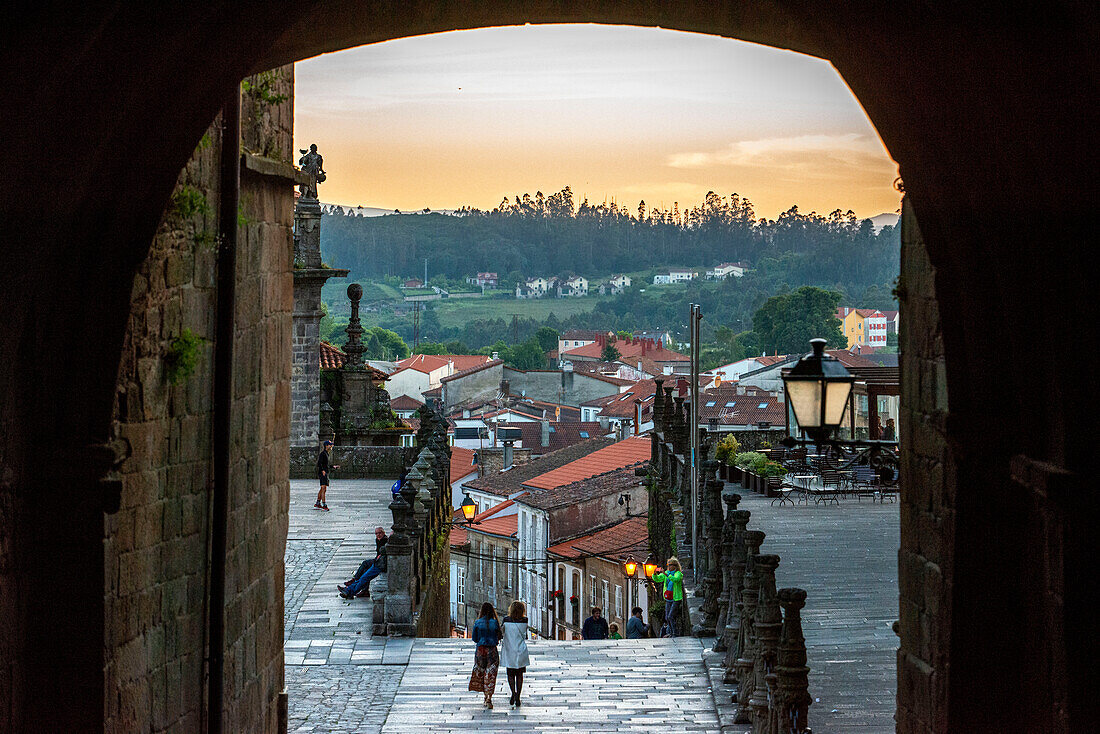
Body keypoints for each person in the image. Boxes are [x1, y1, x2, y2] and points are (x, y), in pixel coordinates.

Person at [337, 527, 388, 599]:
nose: (378, 535)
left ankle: (350, 591)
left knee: (364, 577)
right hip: (378, 563)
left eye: (380, 533)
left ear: (384, 533)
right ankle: (352, 590)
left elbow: (381, 554)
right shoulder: (379, 540)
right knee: (364, 575)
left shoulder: (385, 541)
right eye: (376, 533)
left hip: (380, 565)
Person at [469, 602, 502, 708]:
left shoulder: (478, 622)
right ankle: (489, 698)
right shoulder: (495, 623)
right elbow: (499, 636)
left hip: (480, 650)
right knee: (491, 673)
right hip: (492, 650)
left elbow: (474, 638)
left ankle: (485, 696)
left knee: (482, 672)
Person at [500, 600, 531, 709]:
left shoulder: (506, 620)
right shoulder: (525, 620)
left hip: (509, 650)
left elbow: (502, 632)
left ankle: (513, 692)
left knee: (510, 674)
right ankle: (518, 695)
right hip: (520, 650)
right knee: (519, 674)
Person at [652, 557, 684, 637]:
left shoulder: (678, 574)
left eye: (670, 565)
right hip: (668, 598)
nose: (668, 567)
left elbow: (676, 580)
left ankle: (674, 633)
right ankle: (670, 632)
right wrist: (655, 574)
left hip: (676, 598)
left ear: (675, 566)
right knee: (667, 617)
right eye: (668, 565)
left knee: (671, 616)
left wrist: (668, 575)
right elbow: (658, 579)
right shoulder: (666, 573)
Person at [316, 440, 339, 510]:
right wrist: (322, 470)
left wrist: (333, 466)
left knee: (323, 488)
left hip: (325, 472)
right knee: (323, 488)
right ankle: (324, 504)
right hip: (323, 473)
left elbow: (326, 464)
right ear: (326, 446)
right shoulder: (323, 454)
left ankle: (317, 503)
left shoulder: (326, 453)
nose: (331, 446)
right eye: (330, 445)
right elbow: (319, 463)